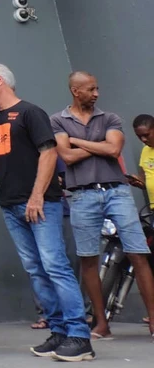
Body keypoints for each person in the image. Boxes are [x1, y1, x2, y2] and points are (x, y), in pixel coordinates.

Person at [0, 63, 94, 362]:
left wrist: (36, 196)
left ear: (0, 80)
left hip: (40, 204)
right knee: (37, 270)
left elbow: (49, 152)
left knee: (55, 265)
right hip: (10, 206)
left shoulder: (31, 113)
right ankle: (58, 332)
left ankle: (80, 337)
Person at [51, 73, 154, 341]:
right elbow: (67, 156)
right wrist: (100, 146)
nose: (96, 93)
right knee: (87, 259)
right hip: (81, 196)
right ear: (76, 90)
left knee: (138, 253)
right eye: (91, 89)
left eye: (97, 88)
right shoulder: (58, 120)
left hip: (116, 191)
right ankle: (101, 323)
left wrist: (79, 141)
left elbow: (114, 151)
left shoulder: (110, 118)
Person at [127, 114, 154, 208]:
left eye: (146, 135)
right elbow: (144, 180)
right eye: (139, 136)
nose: (143, 139)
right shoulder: (145, 150)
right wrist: (138, 182)